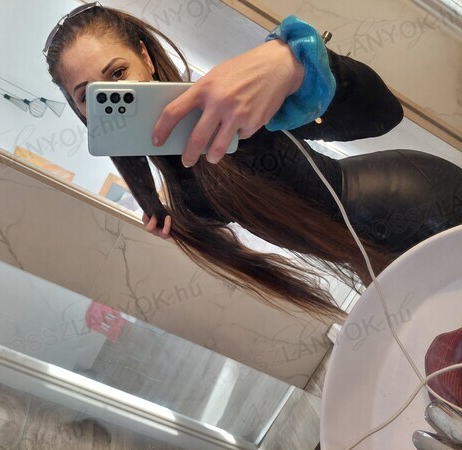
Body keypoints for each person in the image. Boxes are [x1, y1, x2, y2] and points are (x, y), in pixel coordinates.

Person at [43, 3, 462, 321]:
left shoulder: (231, 108)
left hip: (420, 201)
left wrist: (297, 64)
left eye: (118, 73)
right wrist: (176, 223)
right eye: (89, 94)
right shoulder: (173, 190)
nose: (114, 96)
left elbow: (383, 114)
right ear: (81, 111)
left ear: (145, 58)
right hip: (370, 255)